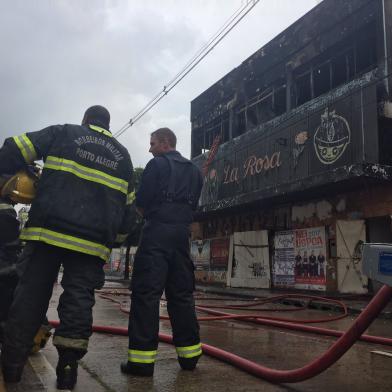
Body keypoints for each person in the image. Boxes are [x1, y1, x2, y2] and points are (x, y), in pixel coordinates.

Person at [0, 105, 134, 390]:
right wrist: (113, 241)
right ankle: (68, 370)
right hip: (91, 245)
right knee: (78, 302)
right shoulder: (124, 158)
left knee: (30, 297)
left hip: (48, 232)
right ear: (107, 125)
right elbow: (129, 215)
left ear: (86, 121)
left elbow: (15, 146)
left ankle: (12, 366)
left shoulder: (64, 134)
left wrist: (15, 170)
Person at [121, 127, 203, 377]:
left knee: (146, 294)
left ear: (165, 143)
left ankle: (142, 363)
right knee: (181, 295)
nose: (150, 148)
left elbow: (142, 203)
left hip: (156, 234)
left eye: (153, 142)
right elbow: (194, 206)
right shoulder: (195, 171)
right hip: (181, 237)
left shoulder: (156, 165)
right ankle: (189, 358)